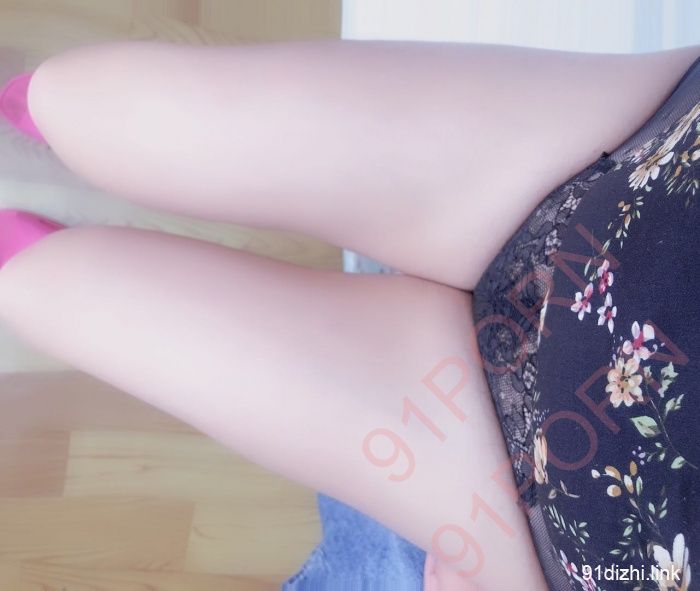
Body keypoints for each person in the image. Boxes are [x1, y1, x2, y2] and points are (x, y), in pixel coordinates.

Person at [0, 40, 699, 590]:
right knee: (75, 298)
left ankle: (37, 106)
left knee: (152, 111)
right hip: (592, 508)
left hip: (649, 177)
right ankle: (21, 258)